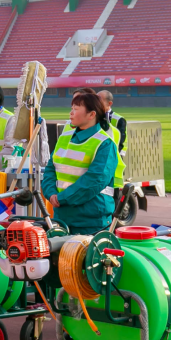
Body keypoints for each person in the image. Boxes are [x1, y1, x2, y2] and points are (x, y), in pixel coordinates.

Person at [42, 89, 119, 234]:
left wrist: (61, 198)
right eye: (71, 108)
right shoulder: (64, 137)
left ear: (91, 115)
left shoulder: (105, 144)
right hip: (62, 217)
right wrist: (51, 194)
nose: (71, 113)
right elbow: (50, 170)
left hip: (91, 222)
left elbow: (94, 181)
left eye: (76, 109)